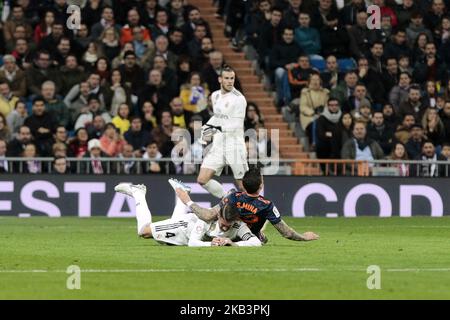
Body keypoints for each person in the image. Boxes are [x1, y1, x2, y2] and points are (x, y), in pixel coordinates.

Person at [178, 167, 319, 243]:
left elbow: (208, 216)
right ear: (261, 185)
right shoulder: (267, 205)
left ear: (243, 185)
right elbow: (286, 233)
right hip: (248, 238)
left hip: (225, 235)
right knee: (262, 234)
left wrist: (188, 201)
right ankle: (259, 235)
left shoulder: (232, 196)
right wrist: (305, 237)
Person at [114, 179, 262, 247]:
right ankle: (138, 193)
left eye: (228, 225)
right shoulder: (207, 219)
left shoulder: (238, 225)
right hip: (186, 227)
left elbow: (256, 242)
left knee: (167, 243)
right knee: (143, 232)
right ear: (218, 216)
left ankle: (182, 193)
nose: (225, 228)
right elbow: (193, 242)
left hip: (187, 237)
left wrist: (232, 243)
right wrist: (212, 244)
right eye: (223, 224)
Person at [197, 65, 248, 198]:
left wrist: (218, 128)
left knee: (243, 186)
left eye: (232, 78)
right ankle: (227, 199)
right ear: (220, 79)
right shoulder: (215, 96)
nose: (230, 81)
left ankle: (258, 215)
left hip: (235, 145)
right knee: (202, 179)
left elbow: (237, 124)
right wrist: (205, 128)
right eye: (227, 78)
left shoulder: (239, 99)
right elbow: (217, 117)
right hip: (219, 144)